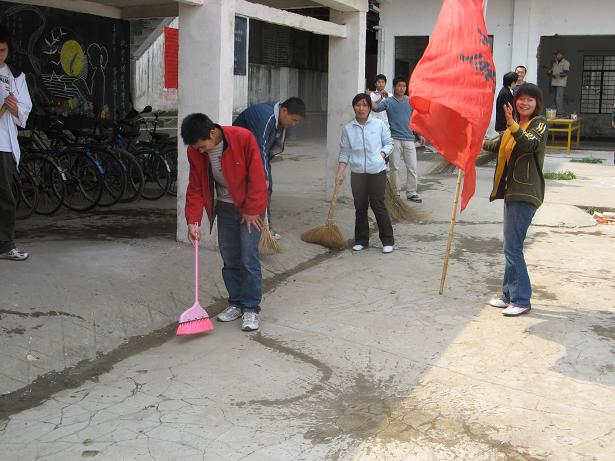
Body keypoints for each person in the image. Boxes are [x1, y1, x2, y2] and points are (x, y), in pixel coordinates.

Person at [181, 113, 268, 331]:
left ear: (212, 133)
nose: (200, 152)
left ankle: (251, 308)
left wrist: (252, 210)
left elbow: (258, 177)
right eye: (197, 149)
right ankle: (236, 303)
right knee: (229, 257)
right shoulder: (195, 150)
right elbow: (196, 186)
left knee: (248, 257)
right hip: (226, 207)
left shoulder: (243, 138)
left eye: (203, 147)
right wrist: (193, 220)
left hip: (250, 207)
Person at [483, 83, 547, 317]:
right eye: (521, 99)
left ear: (536, 103)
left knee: (513, 247)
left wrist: (511, 124)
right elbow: (495, 145)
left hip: (526, 192)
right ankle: (508, 295)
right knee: (509, 245)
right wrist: (471, 141)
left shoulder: (538, 123)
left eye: (530, 100)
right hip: (511, 192)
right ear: (515, 101)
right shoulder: (514, 127)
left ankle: (521, 299)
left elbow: (529, 143)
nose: (525, 103)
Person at [233, 97, 306, 238]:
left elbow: (268, 150)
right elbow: (260, 149)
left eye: (297, 121)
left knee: (266, 189)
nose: (294, 124)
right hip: (239, 156)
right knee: (254, 189)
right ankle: (252, 229)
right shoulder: (265, 117)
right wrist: (264, 175)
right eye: (294, 120)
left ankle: (265, 228)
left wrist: (265, 174)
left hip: (255, 155)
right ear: (284, 111)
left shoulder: (283, 122)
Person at [336, 93, 394, 254]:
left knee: (378, 204)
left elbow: (389, 143)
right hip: (358, 173)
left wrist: (382, 155)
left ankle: (387, 240)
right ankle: (361, 240)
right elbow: (344, 152)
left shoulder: (379, 124)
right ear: (354, 106)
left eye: (364, 105)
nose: (361, 108)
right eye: (358, 105)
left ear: (369, 108)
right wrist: (340, 172)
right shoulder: (348, 128)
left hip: (377, 171)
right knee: (360, 207)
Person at [0, 24, 32, 262]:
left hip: (4, 145)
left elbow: (25, 110)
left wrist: (14, 108)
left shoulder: (16, 76)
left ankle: (5, 245)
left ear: (8, 50)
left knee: (5, 196)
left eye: (1, 50)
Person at [372, 77, 421, 203]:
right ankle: (396, 193)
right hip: (394, 139)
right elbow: (375, 108)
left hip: (409, 139)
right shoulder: (388, 101)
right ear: (394, 87)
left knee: (412, 168)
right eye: (399, 86)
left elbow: (418, 117)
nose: (402, 88)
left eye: (404, 86)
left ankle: (411, 193)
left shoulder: (410, 101)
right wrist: (368, 97)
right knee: (394, 168)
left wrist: (420, 134)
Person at [548, 50, 570, 116]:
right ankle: (556, 112)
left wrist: (559, 75)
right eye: (556, 55)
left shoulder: (566, 63)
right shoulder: (555, 63)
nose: (557, 56)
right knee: (555, 98)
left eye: (559, 55)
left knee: (558, 98)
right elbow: (551, 72)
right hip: (554, 82)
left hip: (561, 83)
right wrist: (550, 73)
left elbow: (566, 73)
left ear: (562, 55)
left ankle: (560, 112)